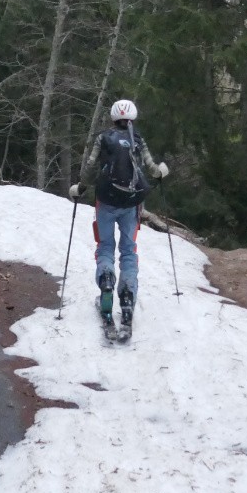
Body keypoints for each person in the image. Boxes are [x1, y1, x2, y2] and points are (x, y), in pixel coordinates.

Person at [70, 99, 169, 331]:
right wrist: (161, 172)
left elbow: (90, 167)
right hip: (131, 204)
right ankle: (127, 296)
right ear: (132, 117)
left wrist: (80, 188)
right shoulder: (139, 139)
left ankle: (105, 282)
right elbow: (153, 170)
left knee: (105, 246)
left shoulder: (103, 137)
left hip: (105, 200)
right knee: (128, 249)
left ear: (113, 117)